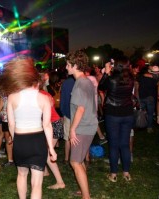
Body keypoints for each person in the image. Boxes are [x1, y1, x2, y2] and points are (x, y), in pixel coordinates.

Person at [0, 56, 57, 199]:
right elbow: (47, 125)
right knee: (37, 183)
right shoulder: (44, 98)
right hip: (38, 141)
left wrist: (13, 137)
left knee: (22, 175)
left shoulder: (12, 97)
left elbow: (11, 124)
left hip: (20, 141)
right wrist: (52, 149)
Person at [66, 50, 98, 199]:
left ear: (74, 65)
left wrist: (72, 129)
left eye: (67, 64)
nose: (66, 67)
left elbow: (80, 108)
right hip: (87, 125)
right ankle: (83, 190)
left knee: (75, 162)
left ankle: (86, 196)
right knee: (79, 161)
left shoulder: (80, 84)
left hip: (83, 127)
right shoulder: (84, 81)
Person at [98, 57, 134, 183]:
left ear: (116, 66)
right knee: (124, 144)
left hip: (113, 113)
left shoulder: (112, 79)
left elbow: (101, 86)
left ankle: (113, 174)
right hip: (127, 113)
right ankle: (126, 173)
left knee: (113, 145)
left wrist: (106, 72)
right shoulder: (131, 79)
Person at [59, 75, 75, 164]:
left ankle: (66, 158)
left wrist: (62, 112)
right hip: (79, 115)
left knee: (67, 137)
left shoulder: (66, 83)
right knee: (78, 136)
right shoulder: (82, 81)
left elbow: (63, 99)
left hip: (68, 113)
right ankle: (82, 158)